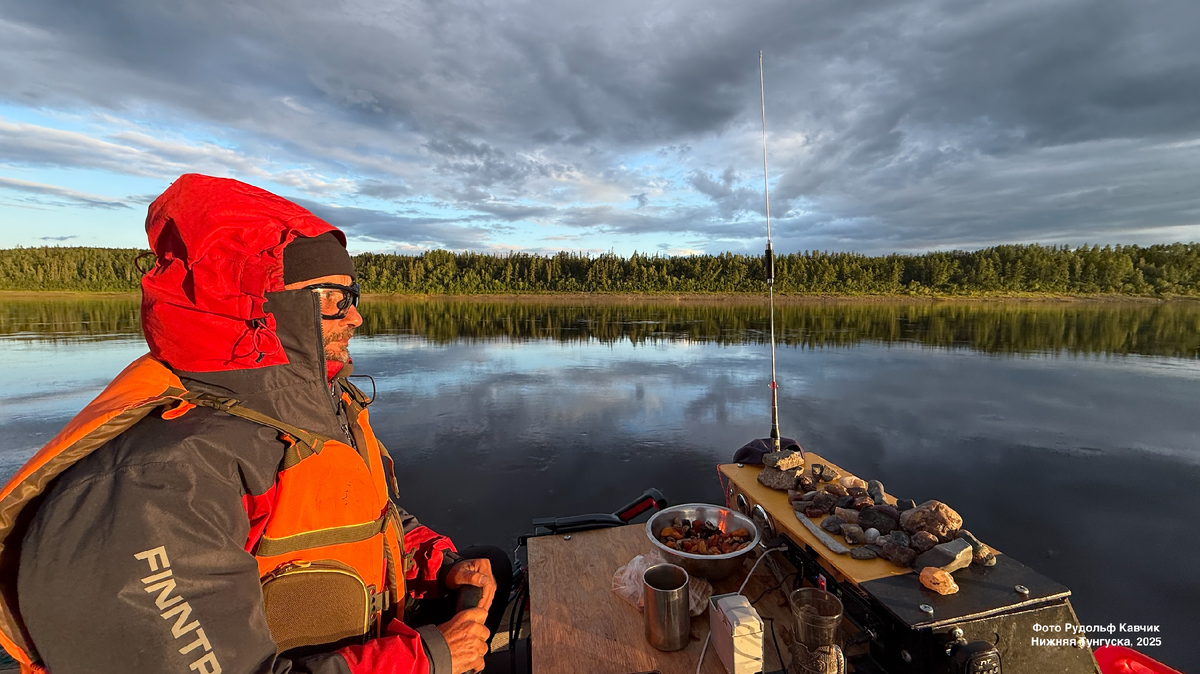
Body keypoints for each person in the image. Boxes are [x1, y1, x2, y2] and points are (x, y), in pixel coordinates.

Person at [0, 174, 511, 674]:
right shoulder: (164, 478)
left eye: (351, 298)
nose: (355, 318)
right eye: (334, 298)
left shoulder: (314, 413)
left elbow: (366, 517)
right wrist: (426, 658)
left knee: (491, 563)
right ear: (267, 309)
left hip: (362, 639)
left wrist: (436, 562)